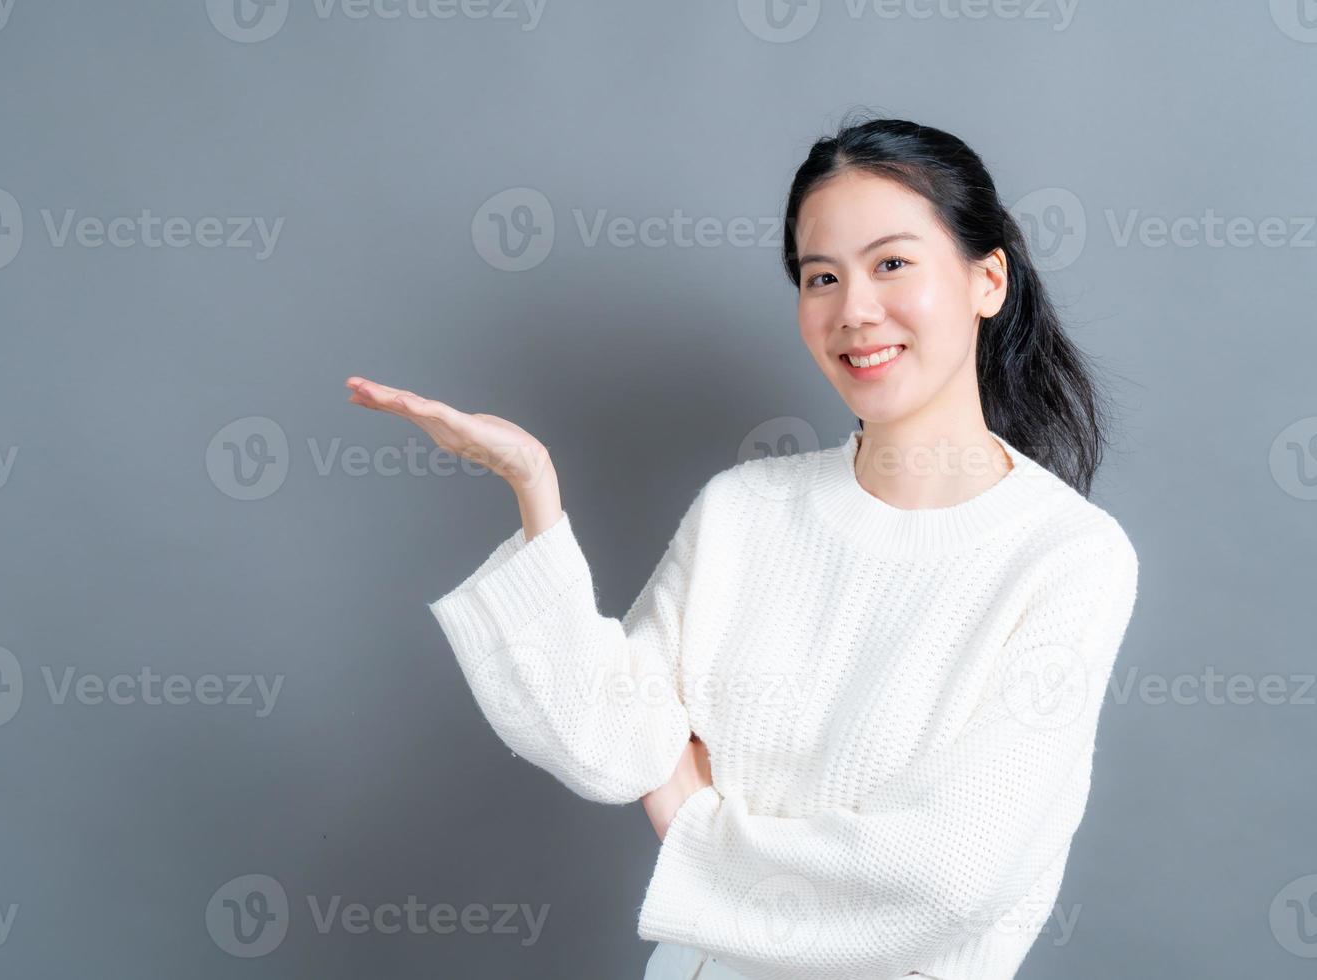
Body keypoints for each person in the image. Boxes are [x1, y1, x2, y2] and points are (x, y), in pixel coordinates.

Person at [345, 115, 1140, 980]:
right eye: (821, 276)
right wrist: (535, 487)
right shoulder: (745, 512)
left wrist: (696, 826)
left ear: (988, 279)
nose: (854, 311)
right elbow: (611, 740)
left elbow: (948, 877)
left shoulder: (1067, 557)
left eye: (893, 264)